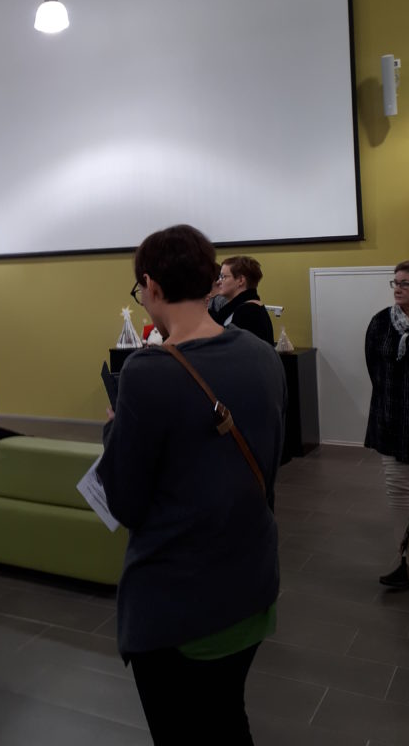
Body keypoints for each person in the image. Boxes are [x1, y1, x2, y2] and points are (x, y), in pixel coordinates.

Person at [97, 224, 286, 745]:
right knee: (225, 718)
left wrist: (114, 430)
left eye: (140, 290)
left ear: (152, 286)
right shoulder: (263, 355)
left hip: (183, 605)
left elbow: (125, 502)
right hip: (252, 585)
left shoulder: (147, 372)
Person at [365, 260, 409, 590]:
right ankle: (408, 563)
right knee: (398, 493)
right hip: (392, 421)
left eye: (405, 283)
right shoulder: (381, 322)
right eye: (395, 282)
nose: (397, 288)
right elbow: (374, 368)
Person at [211, 255, 275, 344]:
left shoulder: (248, 311)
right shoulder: (243, 307)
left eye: (223, 277)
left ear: (241, 280)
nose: (218, 281)